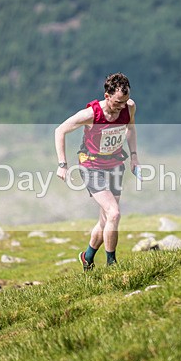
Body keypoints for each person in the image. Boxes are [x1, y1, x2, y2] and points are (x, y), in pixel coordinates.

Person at [55, 72, 139, 270]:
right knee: (114, 213)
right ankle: (112, 265)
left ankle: (87, 257)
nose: (121, 107)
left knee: (106, 219)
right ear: (107, 95)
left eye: (125, 101)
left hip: (115, 164)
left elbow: (131, 128)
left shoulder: (130, 107)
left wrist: (134, 156)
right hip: (92, 166)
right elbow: (60, 130)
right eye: (118, 102)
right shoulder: (91, 114)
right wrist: (62, 164)